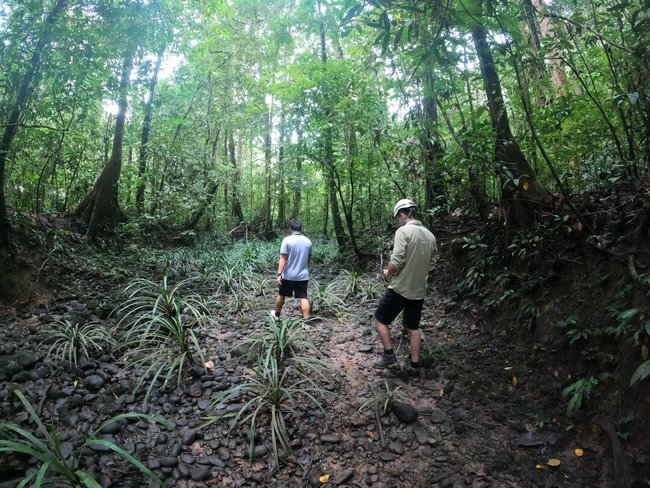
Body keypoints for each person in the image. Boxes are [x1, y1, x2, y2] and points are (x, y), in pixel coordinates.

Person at [373, 198, 437, 375]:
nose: (398, 220)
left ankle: (389, 356)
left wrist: (388, 273)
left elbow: (398, 259)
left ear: (402, 214)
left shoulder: (403, 232)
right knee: (413, 327)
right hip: (419, 290)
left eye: (397, 217)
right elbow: (430, 262)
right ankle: (415, 366)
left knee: (380, 319)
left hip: (400, 288)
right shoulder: (430, 235)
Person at [272, 218, 312, 320]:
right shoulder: (308, 241)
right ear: (300, 229)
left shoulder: (287, 240)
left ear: (290, 228)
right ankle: (306, 320)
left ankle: (277, 315)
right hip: (303, 275)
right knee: (303, 297)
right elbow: (308, 259)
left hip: (288, 275)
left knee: (282, 294)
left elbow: (283, 258)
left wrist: (279, 274)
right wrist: (305, 270)